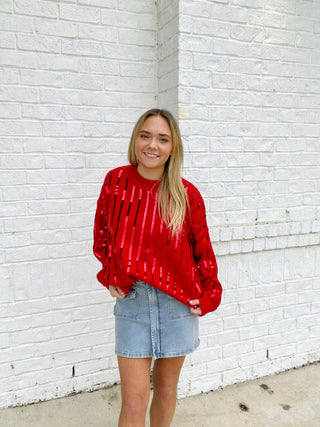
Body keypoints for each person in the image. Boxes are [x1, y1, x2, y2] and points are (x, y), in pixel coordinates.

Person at [93, 108, 222, 427]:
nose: (152, 145)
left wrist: (208, 295)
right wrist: (111, 275)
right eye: (145, 135)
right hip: (133, 303)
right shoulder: (116, 182)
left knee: (165, 389)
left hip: (177, 305)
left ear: (173, 147)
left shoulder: (186, 194)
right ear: (136, 139)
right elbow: (103, 234)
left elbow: (202, 250)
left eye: (162, 139)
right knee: (134, 400)